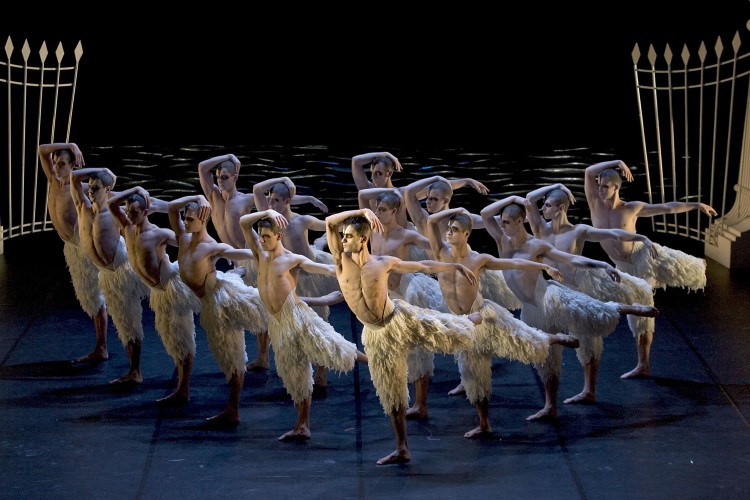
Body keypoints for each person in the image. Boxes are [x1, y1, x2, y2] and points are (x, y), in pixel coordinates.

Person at [325, 207, 480, 465]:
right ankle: (402, 447)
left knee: (439, 329)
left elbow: (422, 265)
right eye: (343, 236)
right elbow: (330, 222)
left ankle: (469, 321)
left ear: (363, 239)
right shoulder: (341, 260)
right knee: (392, 391)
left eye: (349, 236)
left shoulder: (382, 263)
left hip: (396, 319)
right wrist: (363, 211)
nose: (343, 241)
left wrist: (454, 265)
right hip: (376, 334)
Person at [480, 196, 659, 420]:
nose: (502, 225)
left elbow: (570, 259)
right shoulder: (501, 240)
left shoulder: (536, 245)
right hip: (530, 309)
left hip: (548, 299)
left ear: (520, 221)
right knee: (546, 360)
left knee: (591, 311)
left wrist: (602, 264)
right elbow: (486, 214)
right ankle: (550, 406)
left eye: (506, 221)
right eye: (502, 221)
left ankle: (632, 309)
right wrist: (513, 198)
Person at [427, 207, 581, 437]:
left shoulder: (478, 259)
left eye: (455, 229)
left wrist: (543, 266)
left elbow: (514, 264)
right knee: (472, 373)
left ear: (466, 234)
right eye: (448, 229)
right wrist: (457, 210)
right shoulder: (440, 252)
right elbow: (431, 221)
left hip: (482, 314)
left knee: (519, 338)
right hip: (462, 322)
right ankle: (484, 423)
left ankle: (554, 338)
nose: (448, 233)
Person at [239, 209, 367, 441]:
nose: (261, 240)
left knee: (333, 346)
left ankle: (374, 360)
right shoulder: (260, 255)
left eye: (266, 236)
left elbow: (326, 269)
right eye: (260, 236)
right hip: (277, 323)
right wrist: (267, 211)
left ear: (278, 236)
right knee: (294, 372)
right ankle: (302, 425)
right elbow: (243, 223)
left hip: (297, 317)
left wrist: (354, 268)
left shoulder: (291, 259)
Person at [584, 160, 717, 378]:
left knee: (651, 290)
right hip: (622, 266)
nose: (600, 190)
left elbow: (667, 208)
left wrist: (696, 205)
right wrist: (617, 162)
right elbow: (589, 170)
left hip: (642, 255)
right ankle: (643, 365)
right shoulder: (595, 203)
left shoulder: (631, 208)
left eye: (605, 186)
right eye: (599, 185)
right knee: (637, 315)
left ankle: (696, 265)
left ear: (616, 188)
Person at [526, 183, 658, 402]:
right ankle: (552, 400)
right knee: (549, 340)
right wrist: (558, 185)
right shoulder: (540, 229)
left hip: (579, 287)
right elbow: (530, 198)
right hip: (555, 291)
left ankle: (589, 390)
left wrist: (641, 238)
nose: (543, 210)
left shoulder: (578, 231)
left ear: (561, 208)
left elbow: (613, 233)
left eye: (548, 205)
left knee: (587, 339)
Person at [198, 153, 325, 372]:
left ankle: (284, 355)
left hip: (252, 259)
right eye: (218, 177)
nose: (220, 181)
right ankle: (263, 357)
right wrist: (228, 155)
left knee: (266, 306)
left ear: (235, 177)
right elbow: (202, 167)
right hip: (236, 262)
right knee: (255, 309)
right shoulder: (213, 197)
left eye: (225, 177)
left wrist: (309, 199)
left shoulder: (245, 200)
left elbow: (278, 203)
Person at [402, 174, 520, 398]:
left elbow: (491, 220)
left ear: (446, 201)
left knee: (473, 328)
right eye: (428, 198)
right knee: (457, 331)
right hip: (444, 283)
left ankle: (474, 378)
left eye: (434, 199)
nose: (428, 203)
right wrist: (458, 179)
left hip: (466, 279)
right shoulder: (423, 220)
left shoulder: (459, 221)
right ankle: (467, 377)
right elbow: (408, 193)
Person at [168, 194, 268, 427]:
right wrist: (198, 197)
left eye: (191, 219)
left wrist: (265, 254)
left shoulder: (210, 246)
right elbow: (173, 207)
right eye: (185, 218)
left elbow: (244, 254)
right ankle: (235, 275)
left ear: (203, 220)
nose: (185, 222)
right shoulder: (184, 238)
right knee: (224, 357)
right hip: (207, 301)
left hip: (220, 302)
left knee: (232, 356)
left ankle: (233, 410)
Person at [107, 186, 201, 404]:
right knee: (171, 339)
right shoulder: (127, 228)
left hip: (171, 287)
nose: (129, 215)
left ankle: (183, 389)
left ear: (146, 212)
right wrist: (136, 189)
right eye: (128, 211)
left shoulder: (158, 234)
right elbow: (111, 204)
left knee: (182, 338)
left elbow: (190, 240)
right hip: (157, 292)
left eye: (135, 212)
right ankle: (145, 375)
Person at [356, 188, 442, 419]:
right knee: (389, 349)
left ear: (395, 211)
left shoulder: (406, 235)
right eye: (376, 209)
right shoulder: (372, 232)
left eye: (382, 210)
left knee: (416, 350)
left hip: (405, 295)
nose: (377, 213)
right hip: (385, 296)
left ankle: (421, 404)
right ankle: (399, 398)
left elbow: (435, 248)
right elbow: (363, 196)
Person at [252, 177, 338, 389]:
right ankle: (297, 370)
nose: (271, 205)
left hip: (310, 277)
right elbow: (256, 191)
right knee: (292, 327)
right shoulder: (271, 222)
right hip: (289, 279)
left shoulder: (302, 221)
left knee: (317, 325)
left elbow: (330, 225)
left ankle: (321, 372)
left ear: (288, 201)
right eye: (270, 200)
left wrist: (336, 246)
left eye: (276, 201)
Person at [70, 167, 152, 385]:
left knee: (130, 323)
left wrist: (135, 188)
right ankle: (110, 354)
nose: (90, 192)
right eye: (89, 188)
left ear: (107, 189)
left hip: (120, 271)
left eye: (96, 189)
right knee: (122, 323)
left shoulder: (115, 212)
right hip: (106, 274)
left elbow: (151, 208)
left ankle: (136, 371)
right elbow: (74, 178)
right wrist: (102, 170)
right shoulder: (83, 207)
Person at [37, 142, 109, 363]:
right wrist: (71, 144)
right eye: (56, 163)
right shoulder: (52, 180)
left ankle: (102, 347)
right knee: (88, 296)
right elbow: (42, 150)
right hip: (70, 247)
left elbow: (106, 175)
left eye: (61, 164)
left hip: (83, 244)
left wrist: (76, 172)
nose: (56, 167)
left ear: (72, 165)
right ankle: (100, 345)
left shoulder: (78, 188)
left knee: (96, 296)